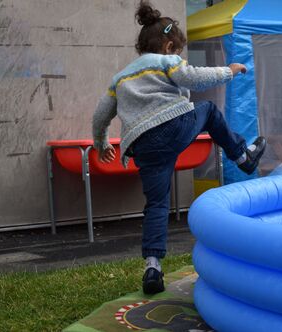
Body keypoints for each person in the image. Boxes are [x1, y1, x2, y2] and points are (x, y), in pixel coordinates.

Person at [92, 0, 266, 294]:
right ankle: (242, 156)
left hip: (144, 146)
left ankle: (152, 266)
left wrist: (101, 143)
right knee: (209, 110)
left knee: (156, 204)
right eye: (178, 52)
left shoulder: (120, 77)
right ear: (169, 46)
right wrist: (229, 70)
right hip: (172, 127)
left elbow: (100, 115)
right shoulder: (166, 62)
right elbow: (194, 78)